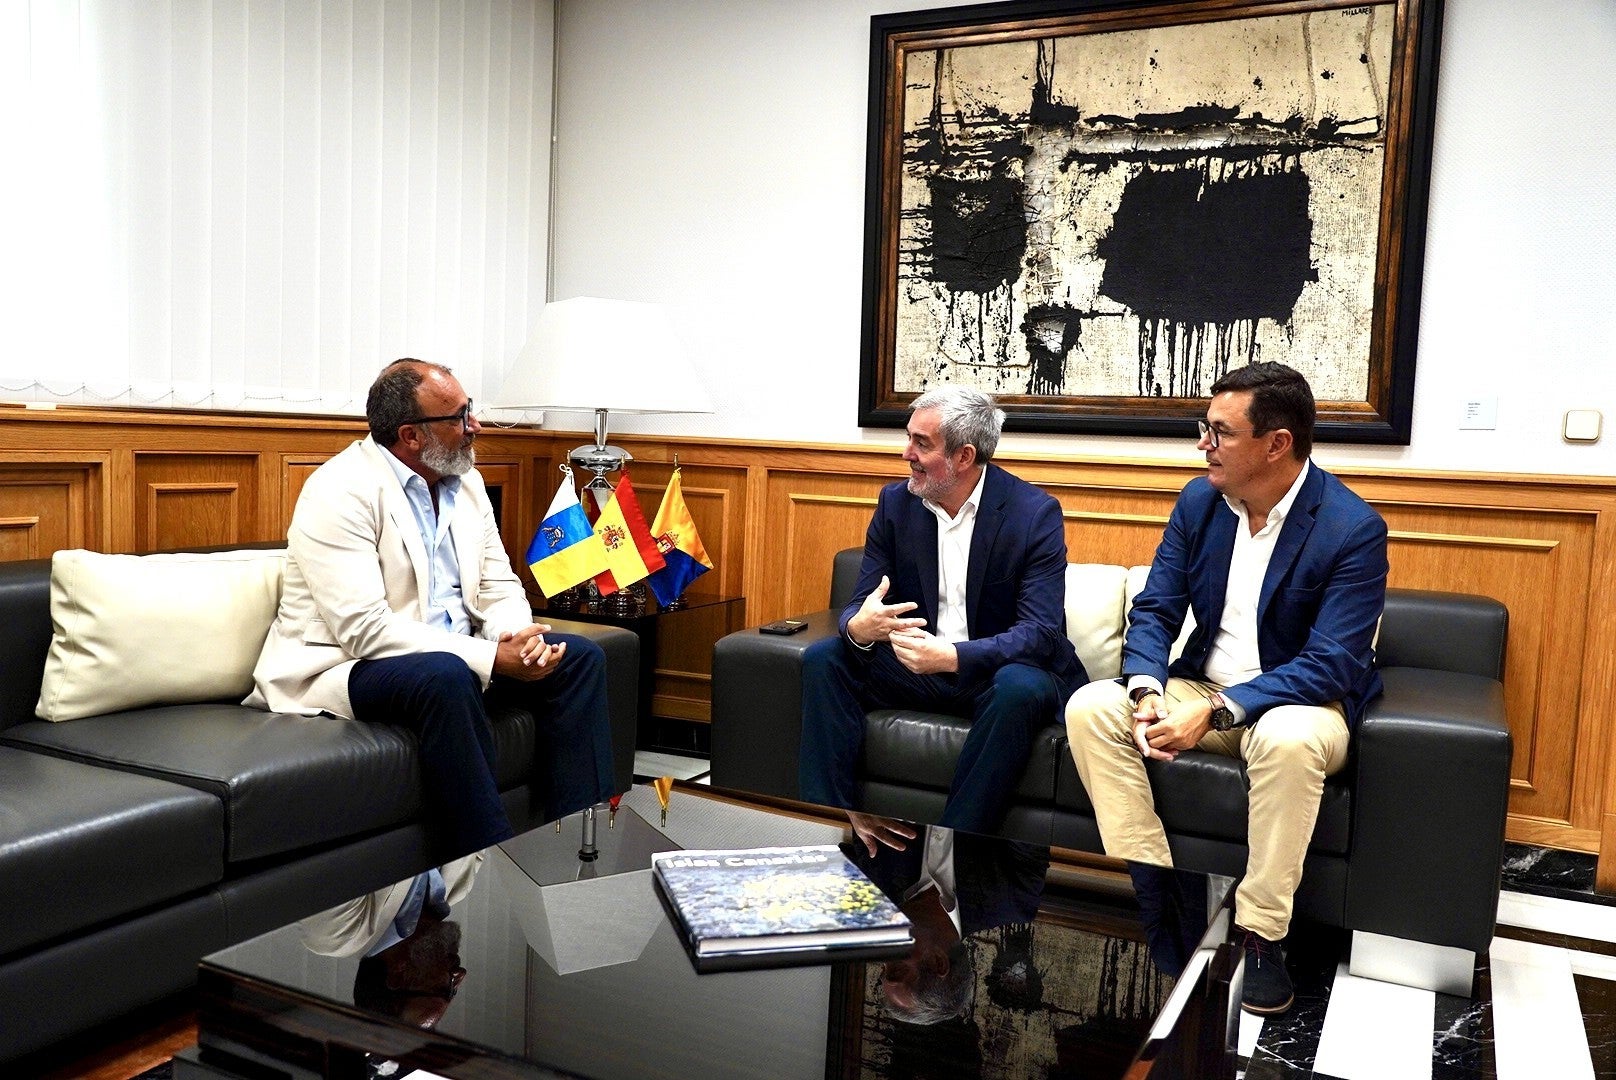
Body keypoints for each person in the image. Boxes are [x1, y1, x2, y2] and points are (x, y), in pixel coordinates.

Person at [1064, 361, 1388, 1016]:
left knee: (1291, 741)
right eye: (1203, 429)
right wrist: (1149, 688)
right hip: (1199, 684)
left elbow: (1330, 661)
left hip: (1298, 704)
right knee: (1092, 707)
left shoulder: (1352, 530)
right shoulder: (1200, 502)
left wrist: (1213, 713)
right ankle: (1159, 890)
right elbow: (1155, 608)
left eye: (1219, 432)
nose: (1202, 446)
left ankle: (1261, 935)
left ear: (1277, 444)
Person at [247, 358, 616, 855]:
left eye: (471, 411)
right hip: (348, 663)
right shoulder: (338, 491)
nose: (475, 426)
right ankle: (495, 863)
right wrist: (490, 660)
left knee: (579, 660)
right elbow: (364, 630)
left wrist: (517, 640)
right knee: (445, 677)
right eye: (460, 417)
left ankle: (579, 847)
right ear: (412, 435)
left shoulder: (465, 483)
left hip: (453, 654)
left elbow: (497, 585)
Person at [798, 385, 1085, 837]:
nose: (905, 453)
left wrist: (952, 657)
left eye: (921, 444)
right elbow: (862, 598)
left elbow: (1040, 632)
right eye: (908, 437)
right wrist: (859, 626)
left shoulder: (1033, 513)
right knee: (824, 658)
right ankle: (827, 823)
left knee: (1019, 686)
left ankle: (954, 842)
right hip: (918, 668)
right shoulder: (896, 504)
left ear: (964, 456)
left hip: (995, 672)